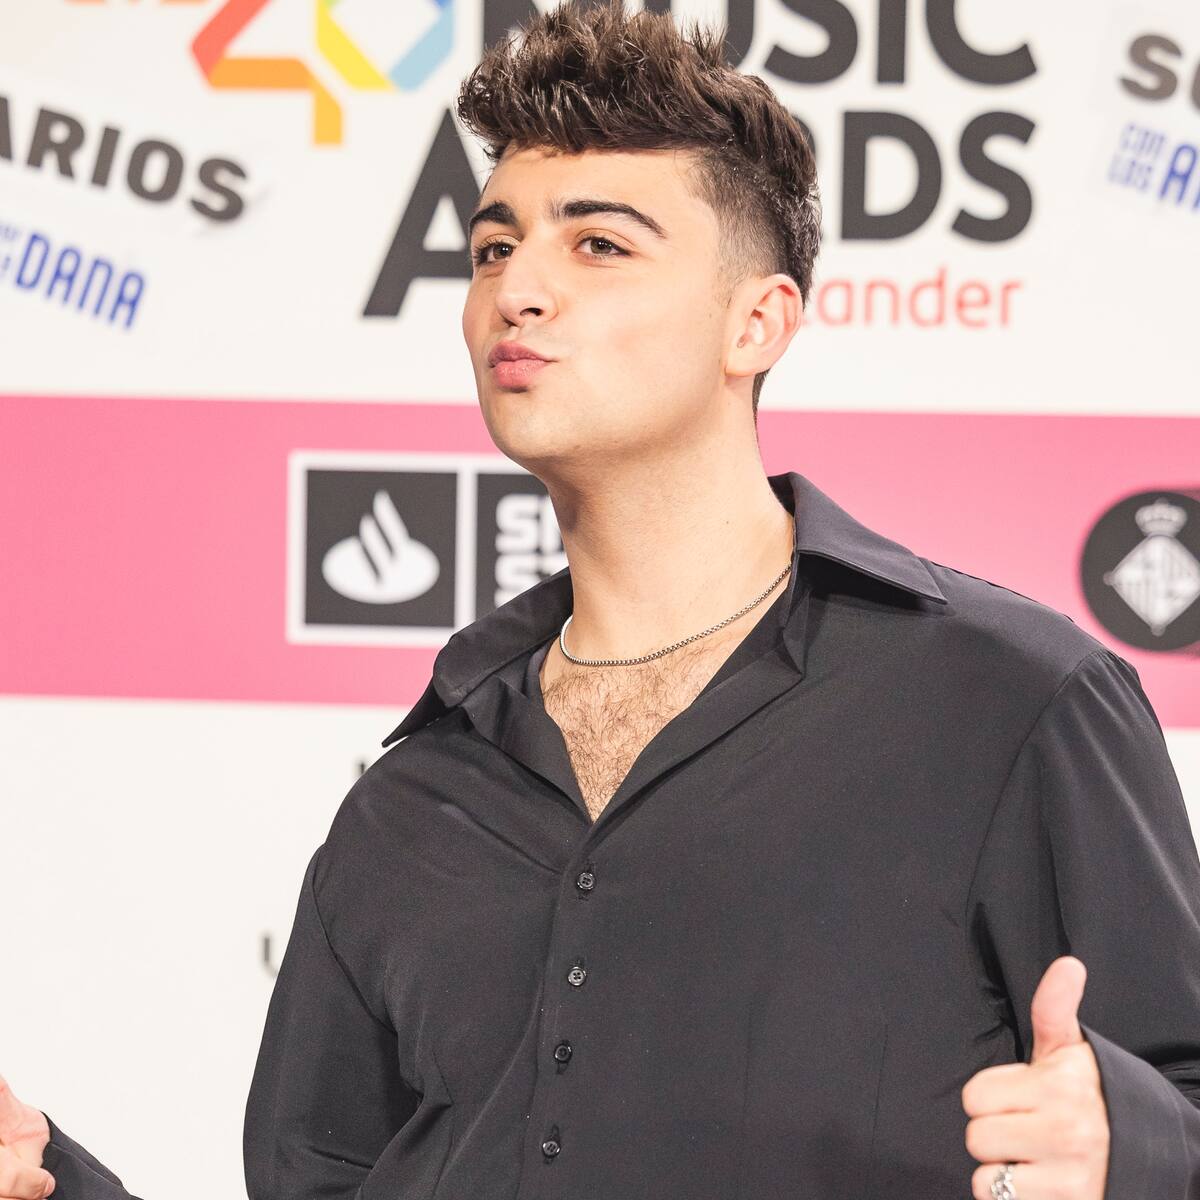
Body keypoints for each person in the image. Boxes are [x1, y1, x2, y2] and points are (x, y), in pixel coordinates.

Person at [5, 2, 1200, 1198]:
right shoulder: (415, 795)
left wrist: (1133, 1154)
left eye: (599, 245)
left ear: (757, 321)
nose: (518, 288)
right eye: (492, 249)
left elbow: (1177, 1106)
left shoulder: (1009, 702)